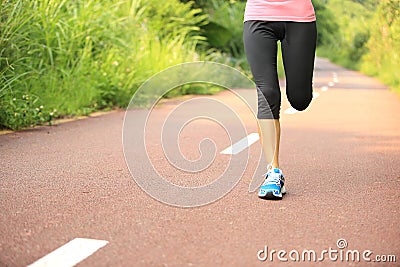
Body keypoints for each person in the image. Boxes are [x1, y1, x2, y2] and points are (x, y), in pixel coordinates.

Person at [243, 0, 317, 199]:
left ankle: (301, 85)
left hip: (299, 17)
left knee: (300, 99)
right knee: (267, 93)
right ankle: (273, 172)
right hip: (258, 16)